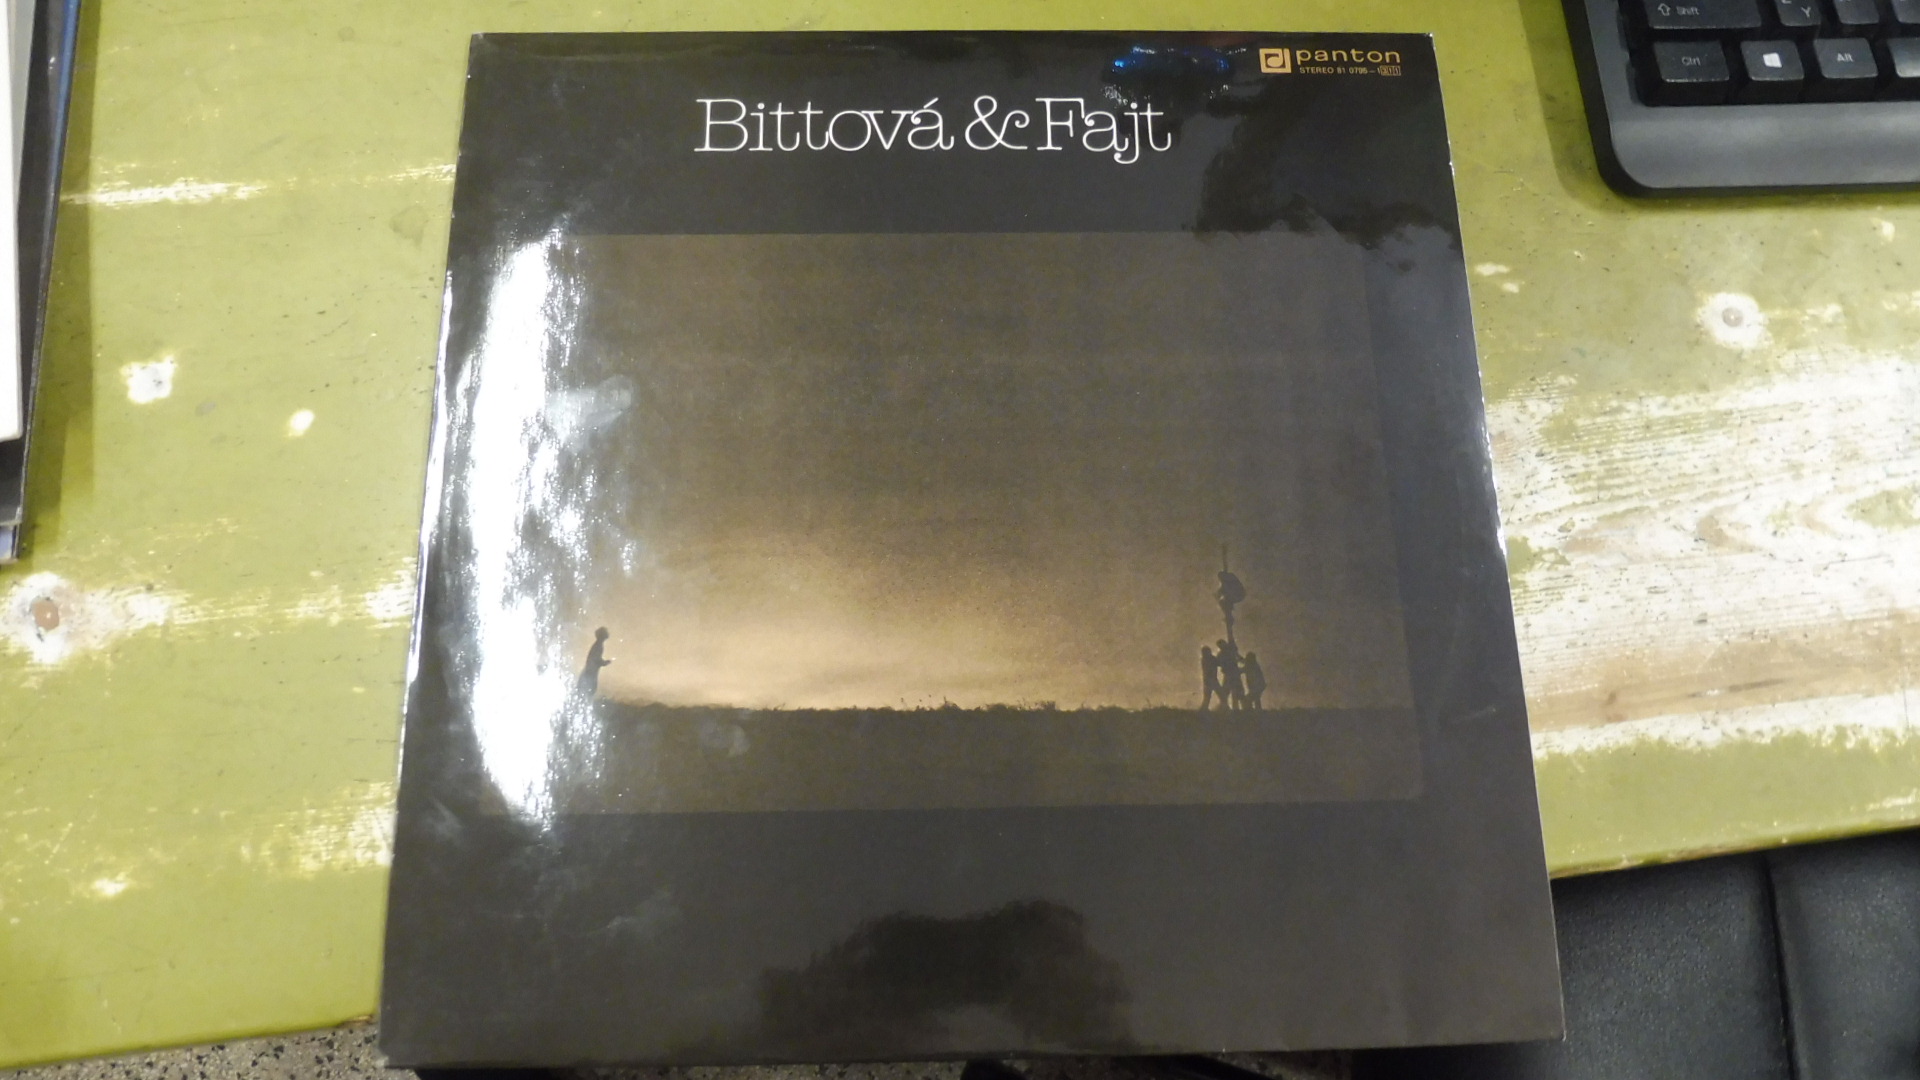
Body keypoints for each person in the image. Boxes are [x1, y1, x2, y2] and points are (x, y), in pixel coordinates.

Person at [576, 627, 612, 697]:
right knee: (590, 689)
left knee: (587, 689)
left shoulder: (597, 645)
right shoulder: (598, 646)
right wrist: (605, 663)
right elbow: (596, 659)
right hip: (591, 671)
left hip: (590, 669)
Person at [1216, 638, 1245, 711]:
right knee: (1233, 691)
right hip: (1231, 674)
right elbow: (1238, 657)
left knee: (1233, 691)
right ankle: (1234, 708)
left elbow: (1238, 657)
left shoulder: (1225, 652)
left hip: (1231, 674)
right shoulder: (1226, 652)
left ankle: (1235, 707)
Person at [1200, 645, 1223, 711]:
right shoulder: (1211, 659)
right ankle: (1223, 708)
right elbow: (1219, 663)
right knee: (1221, 695)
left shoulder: (1204, 659)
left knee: (1207, 697)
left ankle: (1204, 709)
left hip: (1207, 680)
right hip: (1212, 680)